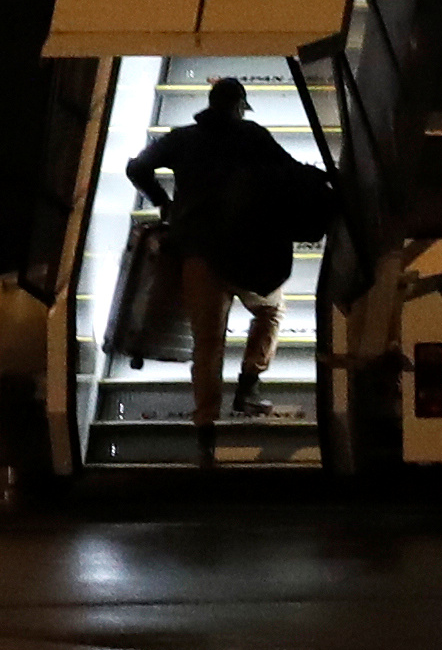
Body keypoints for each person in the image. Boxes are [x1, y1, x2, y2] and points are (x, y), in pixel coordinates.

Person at [125, 77, 307, 461]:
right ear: (239, 106)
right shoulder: (252, 136)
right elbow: (291, 172)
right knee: (271, 309)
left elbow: (137, 167)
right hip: (248, 255)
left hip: (198, 256)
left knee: (207, 345)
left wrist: (164, 202)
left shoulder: (183, 138)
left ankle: (205, 432)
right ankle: (249, 385)